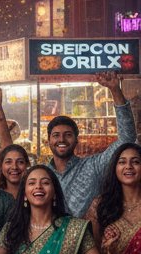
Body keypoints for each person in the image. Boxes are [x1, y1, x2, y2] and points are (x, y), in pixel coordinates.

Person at [43, 73, 137, 218]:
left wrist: (115, 90)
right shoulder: (42, 175)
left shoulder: (93, 167)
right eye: (56, 135)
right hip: (50, 240)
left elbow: (127, 139)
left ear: (76, 140)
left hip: (90, 239)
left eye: (68, 135)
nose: (61, 139)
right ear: (48, 141)